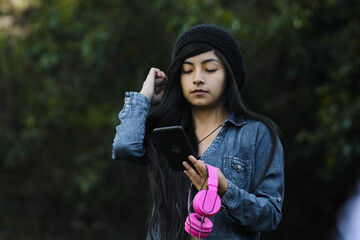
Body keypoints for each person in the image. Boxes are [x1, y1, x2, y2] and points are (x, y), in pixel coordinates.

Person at [112, 24, 285, 240]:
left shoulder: (257, 134)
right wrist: (145, 96)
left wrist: (225, 191)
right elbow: (124, 147)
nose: (197, 78)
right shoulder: (166, 134)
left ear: (228, 75)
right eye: (187, 70)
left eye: (210, 69)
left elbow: (270, 216)